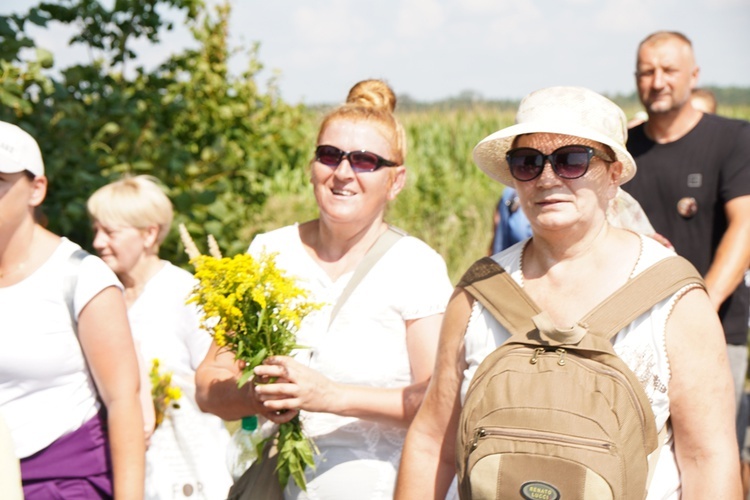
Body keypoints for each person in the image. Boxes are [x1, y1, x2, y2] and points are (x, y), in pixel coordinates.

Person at [395, 86, 741, 499]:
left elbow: (708, 459)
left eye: (571, 160)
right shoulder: (478, 292)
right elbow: (433, 441)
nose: (546, 178)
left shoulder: (673, 299)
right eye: (527, 163)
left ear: (614, 176)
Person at [195, 79, 453, 499]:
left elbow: (439, 399)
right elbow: (209, 384)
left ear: (397, 180)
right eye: (329, 156)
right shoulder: (267, 251)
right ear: (312, 166)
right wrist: (253, 398)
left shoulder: (415, 265)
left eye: (366, 161)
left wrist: (330, 396)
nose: (343, 173)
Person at [0, 120, 145, 497]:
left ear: (36, 189)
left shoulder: (80, 277)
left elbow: (123, 403)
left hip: (62, 484)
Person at [624, 31, 750, 430]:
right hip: (632, 332)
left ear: (693, 75)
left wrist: (701, 308)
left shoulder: (733, 139)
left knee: (710, 451)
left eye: (668, 70)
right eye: (646, 72)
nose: (657, 81)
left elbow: (745, 226)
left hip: (713, 328)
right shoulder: (621, 151)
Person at [87, 175, 233, 500]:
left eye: (110, 232)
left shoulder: (186, 293)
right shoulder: (101, 298)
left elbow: (219, 383)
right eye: (96, 230)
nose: (98, 242)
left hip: (188, 472)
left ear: (149, 233)